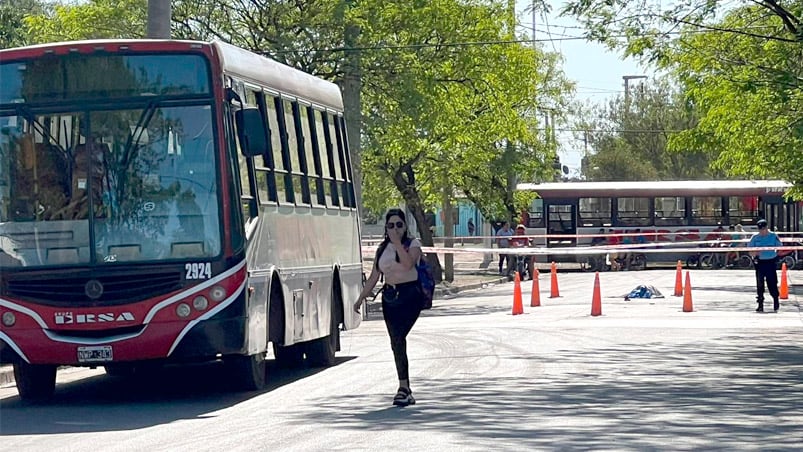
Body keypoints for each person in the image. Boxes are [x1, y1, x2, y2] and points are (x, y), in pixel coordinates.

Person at [354, 208, 424, 406]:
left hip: (411, 295)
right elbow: (375, 276)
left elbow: (409, 264)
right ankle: (404, 388)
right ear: (386, 227)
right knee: (396, 341)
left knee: (399, 337)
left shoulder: (413, 244)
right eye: (391, 225)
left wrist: (396, 243)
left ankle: (404, 388)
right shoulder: (382, 249)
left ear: (405, 226)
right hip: (390, 296)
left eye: (399, 225)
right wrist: (360, 299)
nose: (395, 229)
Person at [747, 219, 783, 312]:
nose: (762, 231)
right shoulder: (755, 237)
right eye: (760, 229)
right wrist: (755, 253)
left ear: (767, 228)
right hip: (760, 263)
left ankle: (775, 300)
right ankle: (760, 304)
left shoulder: (773, 236)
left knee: (772, 283)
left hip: (770, 262)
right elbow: (750, 251)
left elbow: (780, 247)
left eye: (763, 229)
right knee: (760, 284)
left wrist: (776, 255)